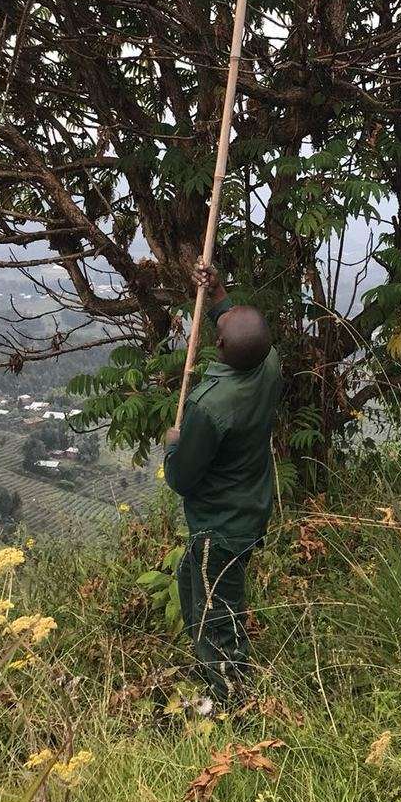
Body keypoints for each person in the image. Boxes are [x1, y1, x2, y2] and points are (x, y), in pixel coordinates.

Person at [163, 261, 282, 705]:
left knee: (218, 613)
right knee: (191, 581)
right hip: (249, 506)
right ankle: (205, 667)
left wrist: (174, 444)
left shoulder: (212, 406)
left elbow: (181, 478)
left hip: (221, 524)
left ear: (220, 346)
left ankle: (231, 700)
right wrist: (217, 295)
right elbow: (237, 331)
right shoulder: (267, 362)